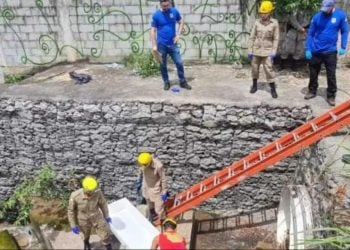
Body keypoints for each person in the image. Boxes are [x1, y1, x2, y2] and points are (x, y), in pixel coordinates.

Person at [304, 0, 348, 106]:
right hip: (316, 50)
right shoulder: (317, 17)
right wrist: (308, 48)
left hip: (330, 51)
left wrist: (343, 46)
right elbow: (310, 34)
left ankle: (331, 95)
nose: (324, 11)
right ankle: (312, 91)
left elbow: (345, 31)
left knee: (331, 74)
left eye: (326, 9)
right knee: (313, 73)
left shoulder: (340, 16)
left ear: (332, 6)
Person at [150, 0, 192, 91]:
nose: (165, 7)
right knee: (162, 64)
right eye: (164, 6)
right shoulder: (156, 15)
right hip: (161, 45)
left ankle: (182, 82)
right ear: (160, 4)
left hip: (173, 44)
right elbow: (153, 30)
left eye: (167, 5)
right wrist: (154, 45)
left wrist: (178, 35)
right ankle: (166, 82)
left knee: (179, 62)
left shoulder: (174, 11)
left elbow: (181, 21)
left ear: (169, 3)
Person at [68, 176, 112, 250]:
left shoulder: (98, 193)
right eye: (89, 192)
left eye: (93, 191)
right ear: (84, 188)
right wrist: (73, 225)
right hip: (83, 219)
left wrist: (106, 215)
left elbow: (103, 204)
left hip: (97, 217)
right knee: (85, 235)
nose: (91, 194)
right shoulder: (75, 195)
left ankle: (108, 246)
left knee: (105, 234)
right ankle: (86, 243)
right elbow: (71, 211)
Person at [247, 1, 279, 98]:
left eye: (265, 13)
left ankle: (273, 89)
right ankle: (254, 85)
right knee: (254, 68)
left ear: (269, 12)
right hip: (256, 50)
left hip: (267, 51)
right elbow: (252, 37)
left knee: (269, 69)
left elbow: (276, 38)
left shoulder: (274, 23)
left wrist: (274, 51)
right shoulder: (257, 23)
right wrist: (250, 50)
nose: (263, 15)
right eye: (261, 13)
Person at [137, 152, 168, 222]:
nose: (143, 166)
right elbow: (140, 171)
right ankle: (153, 220)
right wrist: (139, 180)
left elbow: (163, 179)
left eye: (144, 165)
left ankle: (163, 223)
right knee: (150, 207)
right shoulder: (143, 162)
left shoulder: (158, 166)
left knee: (159, 210)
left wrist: (164, 192)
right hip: (146, 188)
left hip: (155, 189)